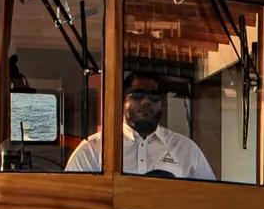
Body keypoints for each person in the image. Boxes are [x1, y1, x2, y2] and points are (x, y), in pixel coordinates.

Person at [65, 69, 216, 179]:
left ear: (162, 103)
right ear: (123, 101)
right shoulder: (92, 150)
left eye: (153, 96)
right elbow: (72, 197)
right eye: (137, 95)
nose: (146, 101)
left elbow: (211, 199)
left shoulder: (186, 149)